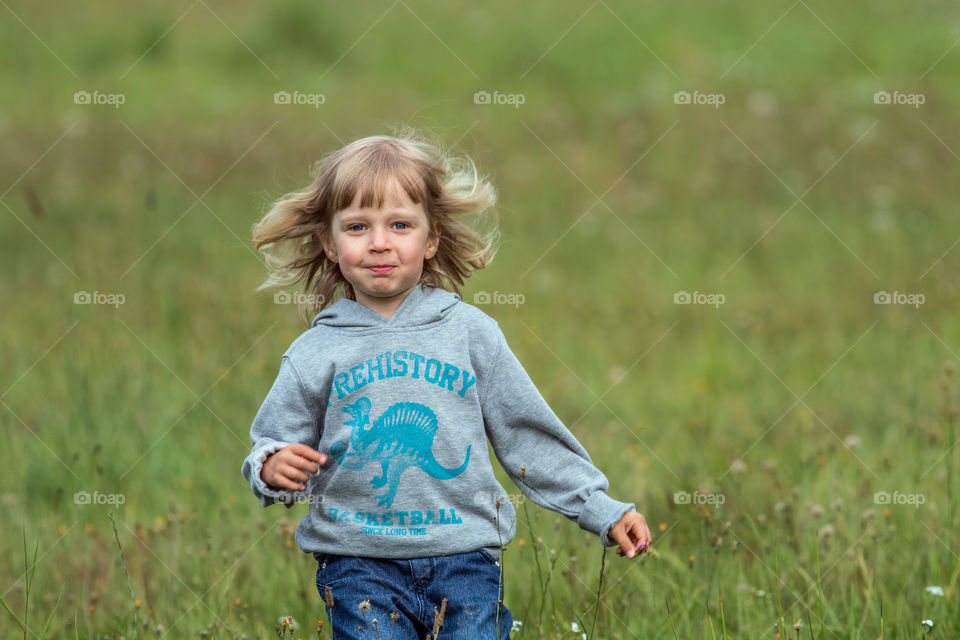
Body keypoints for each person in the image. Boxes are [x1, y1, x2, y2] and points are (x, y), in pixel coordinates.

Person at [241, 129, 652, 639]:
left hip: (465, 560)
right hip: (356, 562)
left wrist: (600, 508)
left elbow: (527, 437)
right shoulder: (314, 352)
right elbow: (272, 444)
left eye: (399, 224)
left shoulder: (471, 333)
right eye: (356, 226)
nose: (379, 242)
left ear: (431, 237)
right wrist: (273, 465)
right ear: (329, 242)